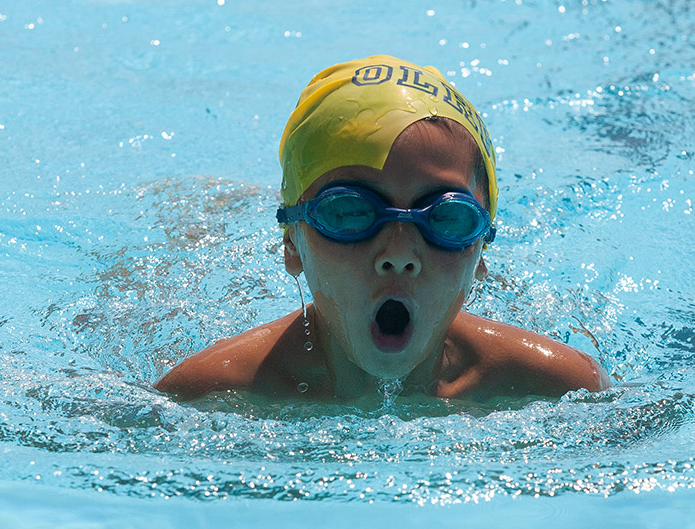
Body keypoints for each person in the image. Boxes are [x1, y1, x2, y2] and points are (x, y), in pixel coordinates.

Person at [155, 55, 609, 401]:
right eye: (350, 212)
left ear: (481, 250)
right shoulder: (208, 393)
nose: (400, 253)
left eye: (446, 218)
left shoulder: (564, 387)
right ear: (292, 242)